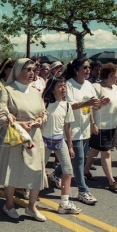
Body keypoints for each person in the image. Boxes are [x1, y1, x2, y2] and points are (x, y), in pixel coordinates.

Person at [0, 58, 47, 222]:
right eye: (27, 69)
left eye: (33, 69)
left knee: (36, 171)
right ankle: (9, 204)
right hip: (15, 137)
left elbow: (44, 112)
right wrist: (17, 123)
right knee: (13, 170)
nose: (32, 73)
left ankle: (31, 206)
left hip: (34, 136)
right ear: (17, 71)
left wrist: (41, 120)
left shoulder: (35, 92)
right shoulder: (8, 90)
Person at [42, 77, 81, 214]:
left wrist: (70, 145)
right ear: (52, 89)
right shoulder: (45, 104)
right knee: (39, 169)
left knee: (68, 170)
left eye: (64, 86)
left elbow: (68, 127)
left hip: (60, 141)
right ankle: (29, 190)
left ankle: (64, 202)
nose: (63, 88)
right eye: (59, 86)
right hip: (44, 141)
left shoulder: (67, 105)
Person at [65, 57, 100, 205]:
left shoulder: (89, 85)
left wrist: (93, 122)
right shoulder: (68, 85)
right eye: (84, 68)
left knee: (79, 158)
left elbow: (92, 106)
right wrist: (87, 103)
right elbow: (68, 106)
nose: (87, 71)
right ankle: (83, 190)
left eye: (88, 68)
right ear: (76, 70)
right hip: (72, 127)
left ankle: (55, 174)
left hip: (85, 127)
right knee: (79, 160)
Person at [83, 63, 117, 191]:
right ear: (110, 75)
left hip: (112, 125)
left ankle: (85, 171)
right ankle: (111, 181)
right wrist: (93, 123)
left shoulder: (115, 88)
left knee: (95, 150)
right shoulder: (97, 87)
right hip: (100, 125)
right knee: (106, 153)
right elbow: (89, 107)